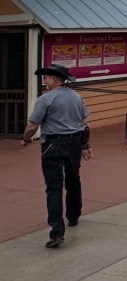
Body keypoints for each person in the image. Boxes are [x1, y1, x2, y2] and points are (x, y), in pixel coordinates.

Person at [21, 64, 93, 248]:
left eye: (46, 78)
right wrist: (86, 145)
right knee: (73, 179)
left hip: (53, 144)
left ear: (55, 79)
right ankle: (74, 215)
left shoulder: (45, 99)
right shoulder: (77, 97)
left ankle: (56, 232)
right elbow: (82, 122)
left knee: (54, 187)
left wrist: (26, 139)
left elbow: (32, 125)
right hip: (75, 143)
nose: (44, 81)